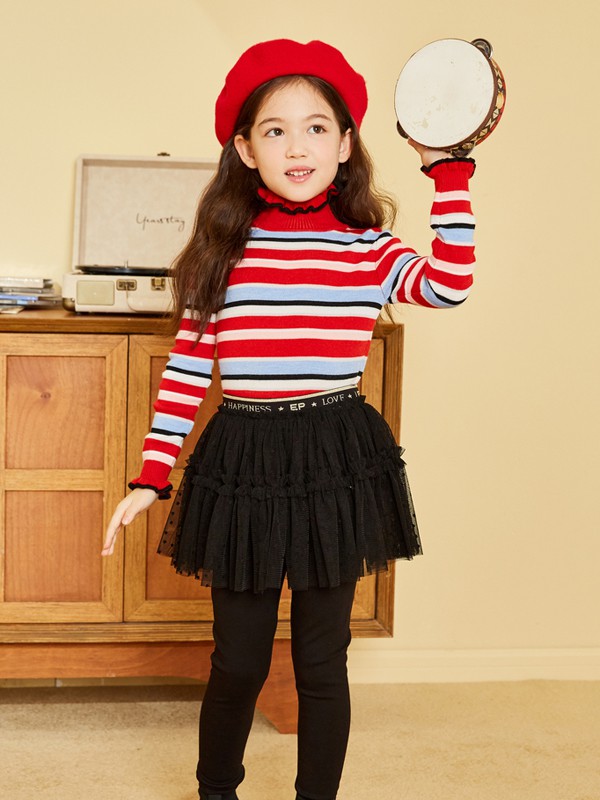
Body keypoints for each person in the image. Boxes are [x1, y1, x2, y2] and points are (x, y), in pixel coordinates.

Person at [102, 38, 476, 800]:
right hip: (242, 458)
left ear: (345, 145)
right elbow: (187, 370)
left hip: (334, 457)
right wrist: (150, 476)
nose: (297, 147)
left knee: (321, 660)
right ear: (245, 149)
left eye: (316, 128)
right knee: (238, 659)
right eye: (275, 130)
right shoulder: (222, 254)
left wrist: (449, 173)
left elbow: (449, 283)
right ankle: (217, 791)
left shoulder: (369, 250)